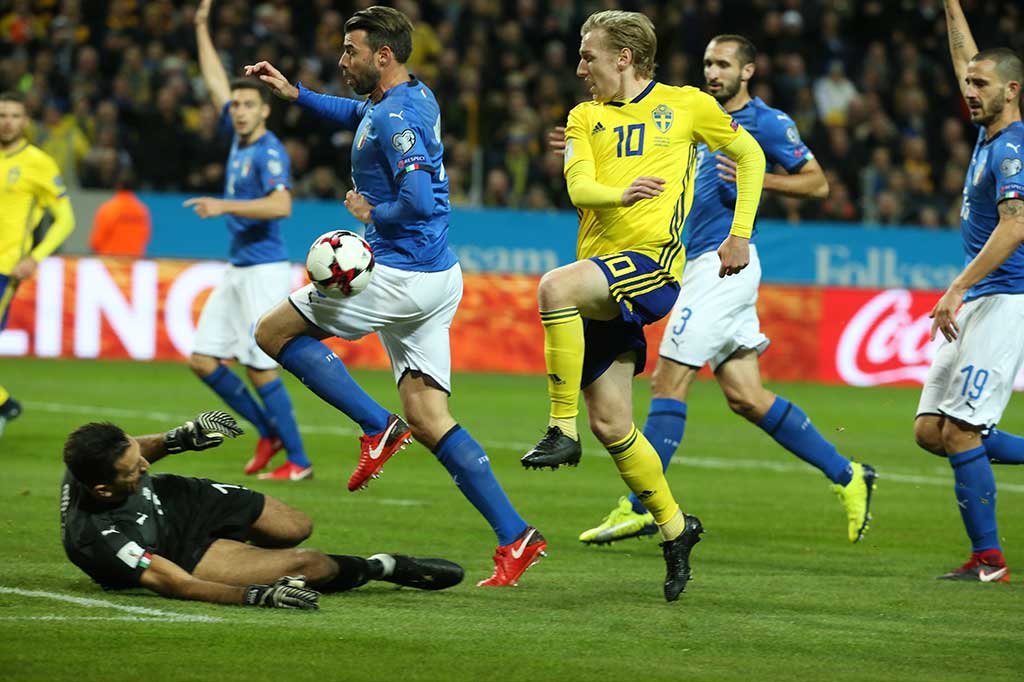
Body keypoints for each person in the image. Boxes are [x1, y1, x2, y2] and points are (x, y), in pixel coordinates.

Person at [244, 6, 546, 587]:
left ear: (383, 55)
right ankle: (516, 536)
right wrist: (295, 93)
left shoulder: (397, 116)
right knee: (431, 416)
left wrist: (369, 212)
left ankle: (375, 426)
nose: (342, 59)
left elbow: (421, 201)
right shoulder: (405, 98)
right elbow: (355, 111)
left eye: (350, 50)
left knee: (272, 333)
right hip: (439, 278)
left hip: (402, 276)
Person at [549, 35, 877, 547]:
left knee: (669, 379)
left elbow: (816, 184)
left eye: (724, 64)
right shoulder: (686, 112)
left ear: (748, 71)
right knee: (746, 396)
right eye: (707, 62)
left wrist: (759, 189)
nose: (713, 71)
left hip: (720, 263)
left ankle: (638, 508)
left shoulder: (766, 123)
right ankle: (850, 474)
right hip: (694, 260)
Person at [520, 11, 765, 601]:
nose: (580, 69)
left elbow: (751, 156)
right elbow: (578, 189)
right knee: (613, 424)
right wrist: (619, 192)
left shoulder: (685, 106)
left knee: (554, 288)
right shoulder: (585, 117)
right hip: (605, 282)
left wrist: (740, 233)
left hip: (652, 267)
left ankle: (558, 429)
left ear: (623, 58)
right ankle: (678, 529)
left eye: (589, 57)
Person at [61, 411, 464, 609]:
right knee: (312, 564)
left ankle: (250, 554)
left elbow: (135, 448)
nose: (144, 465)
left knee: (295, 527)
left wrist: (180, 438)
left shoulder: (95, 457)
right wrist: (255, 594)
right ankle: (385, 566)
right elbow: (175, 584)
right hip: (175, 550)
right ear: (102, 489)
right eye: (134, 470)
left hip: (179, 499)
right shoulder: (102, 537)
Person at [913, 0, 1024, 583]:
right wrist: (952, 5)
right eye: (968, 83)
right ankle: (986, 556)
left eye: (981, 84)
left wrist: (956, 287)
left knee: (960, 432)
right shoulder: (988, 132)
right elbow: (967, 58)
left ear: (1011, 90)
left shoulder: (1011, 147)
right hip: (980, 300)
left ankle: (990, 561)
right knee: (931, 431)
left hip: (1005, 300)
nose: (969, 90)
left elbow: (1016, 225)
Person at [184, 0, 310, 481]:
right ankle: (268, 431)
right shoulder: (239, 138)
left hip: (263, 269)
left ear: (265, 112)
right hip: (238, 267)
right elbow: (217, 78)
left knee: (261, 368)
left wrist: (224, 206)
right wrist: (200, 27)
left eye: (247, 105)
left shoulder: (269, 152)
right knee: (202, 359)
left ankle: (298, 461)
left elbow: (281, 206)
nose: (237, 111)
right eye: (235, 105)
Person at [0, 90, 75, 438]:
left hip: (6, 267)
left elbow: (66, 219)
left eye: (14, 115)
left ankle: (3, 405)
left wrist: (34, 257)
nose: (7, 122)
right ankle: (3, 404)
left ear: (25, 122)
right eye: (2, 115)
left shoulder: (37, 162)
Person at [89, 168, 151, 257]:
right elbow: (146, 236)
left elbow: (96, 241)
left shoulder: (108, 208)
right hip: (133, 262)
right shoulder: (142, 210)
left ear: (118, 185)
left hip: (110, 264)